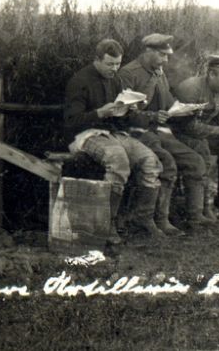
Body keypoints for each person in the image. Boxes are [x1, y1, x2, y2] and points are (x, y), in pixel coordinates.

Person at [63, 39, 164, 241]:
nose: (114, 69)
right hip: (87, 134)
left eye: (118, 64)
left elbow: (122, 118)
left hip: (113, 133)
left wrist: (129, 109)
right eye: (110, 64)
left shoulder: (115, 80)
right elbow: (71, 121)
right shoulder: (79, 81)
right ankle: (106, 223)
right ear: (97, 60)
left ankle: (142, 219)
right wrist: (100, 112)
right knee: (118, 162)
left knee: (150, 160)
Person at [118, 33, 213, 232]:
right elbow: (124, 113)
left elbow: (170, 104)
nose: (166, 60)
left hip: (157, 131)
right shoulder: (129, 73)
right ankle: (157, 220)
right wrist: (152, 116)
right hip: (135, 133)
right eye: (162, 55)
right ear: (148, 51)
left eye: (167, 55)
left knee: (194, 162)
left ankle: (194, 216)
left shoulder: (158, 73)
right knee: (167, 165)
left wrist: (189, 110)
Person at [174, 55, 219, 216]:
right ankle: (202, 207)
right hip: (178, 133)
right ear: (211, 74)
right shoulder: (191, 88)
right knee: (202, 152)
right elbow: (185, 125)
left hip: (204, 133)